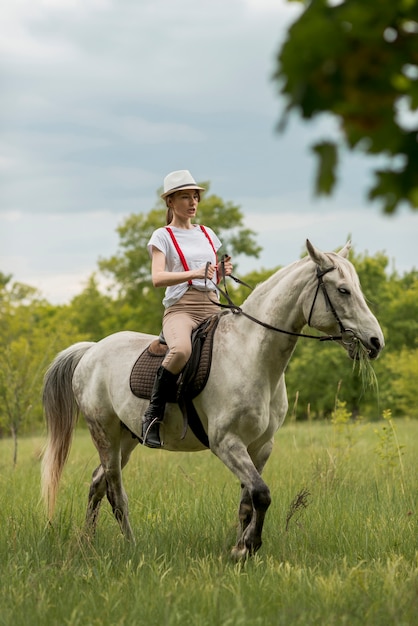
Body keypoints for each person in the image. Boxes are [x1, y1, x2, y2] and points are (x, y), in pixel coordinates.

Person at [142, 169, 233, 448]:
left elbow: (210, 276)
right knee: (181, 350)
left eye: (195, 196)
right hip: (181, 308)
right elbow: (157, 278)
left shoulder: (208, 234)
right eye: (185, 197)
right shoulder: (163, 236)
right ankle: (153, 416)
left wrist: (221, 272)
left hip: (212, 304)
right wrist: (194, 272)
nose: (193, 202)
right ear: (170, 202)